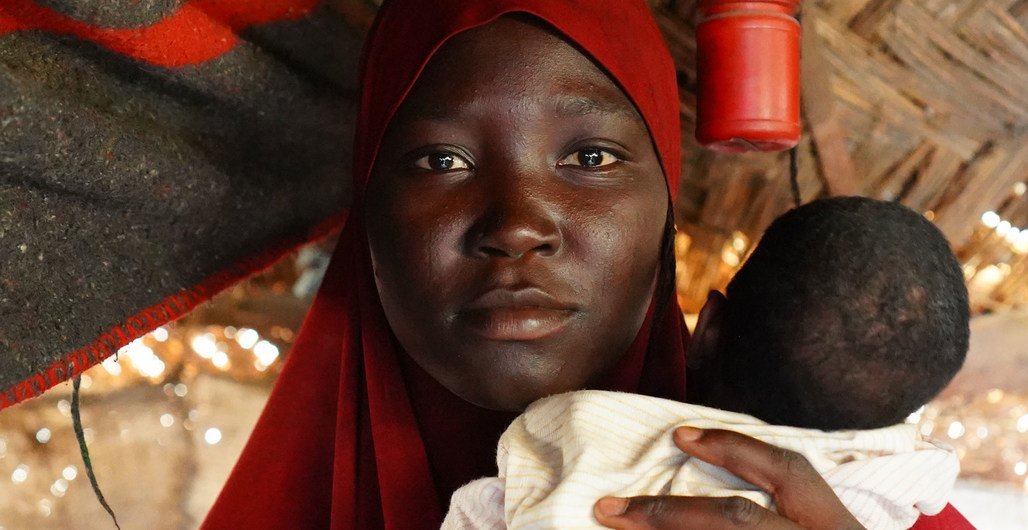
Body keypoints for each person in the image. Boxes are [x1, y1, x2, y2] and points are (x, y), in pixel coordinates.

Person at [202, 1, 976, 528]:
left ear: (665, 206)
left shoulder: (869, 515)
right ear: (369, 210)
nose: (517, 227)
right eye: (442, 159)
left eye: (591, 156)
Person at [442, 197, 969, 530]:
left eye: (593, 157)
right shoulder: (911, 495)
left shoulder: (577, 443)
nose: (519, 233)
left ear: (708, 327)